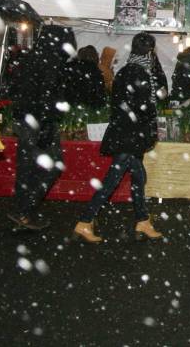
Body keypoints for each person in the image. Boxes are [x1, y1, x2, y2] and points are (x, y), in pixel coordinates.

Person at [74, 32, 162, 243]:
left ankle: (142, 220)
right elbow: (142, 107)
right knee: (113, 180)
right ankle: (85, 221)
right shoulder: (141, 73)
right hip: (131, 136)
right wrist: (151, 110)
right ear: (150, 51)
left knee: (138, 178)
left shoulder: (124, 70)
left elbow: (119, 103)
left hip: (125, 133)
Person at [8, 24, 74, 233]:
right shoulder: (51, 63)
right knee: (51, 165)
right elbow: (47, 96)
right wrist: (45, 124)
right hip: (38, 122)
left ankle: (23, 210)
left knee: (28, 167)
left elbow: (20, 91)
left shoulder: (31, 59)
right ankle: (24, 210)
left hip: (27, 120)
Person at [61, 44, 107, 109]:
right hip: (87, 107)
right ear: (95, 57)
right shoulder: (95, 72)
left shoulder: (69, 67)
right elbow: (100, 94)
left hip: (67, 105)